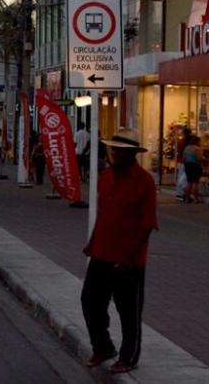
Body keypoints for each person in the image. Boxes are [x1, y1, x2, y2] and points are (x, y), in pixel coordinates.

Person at [81, 128, 158, 375]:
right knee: (90, 301)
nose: (113, 154)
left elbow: (147, 225)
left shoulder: (144, 181)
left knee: (128, 311)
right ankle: (103, 347)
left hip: (128, 259)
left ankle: (129, 356)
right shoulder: (105, 176)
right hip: (101, 251)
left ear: (132, 154)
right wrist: (91, 242)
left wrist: (130, 258)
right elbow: (103, 214)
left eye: (119, 151)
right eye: (112, 149)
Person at [182, 134, 204, 204]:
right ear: (197, 142)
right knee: (195, 182)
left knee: (189, 182)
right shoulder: (197, 149)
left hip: (188, 165)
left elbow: (184, 158)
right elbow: (199, 159)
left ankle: (187, 199)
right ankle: (196, 199)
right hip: (195, 165)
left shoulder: (187, 148)